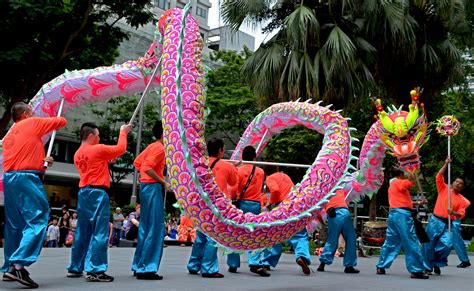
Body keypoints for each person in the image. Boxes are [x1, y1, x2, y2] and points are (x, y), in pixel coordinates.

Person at [1, 102, 67, 288]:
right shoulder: (31, 122)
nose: (33, 113)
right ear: (24, 113)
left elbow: (23, 156)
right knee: (38, 217)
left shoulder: (9, 136)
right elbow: (61, 121)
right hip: (27, 177)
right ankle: (19, 264)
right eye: (31, 111)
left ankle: (8, 267)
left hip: (11, 178)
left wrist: (43, 161)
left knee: (15, 225)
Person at [66, 122, 132, 282]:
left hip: (84, 192)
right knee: (100, 231)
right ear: (90, 136)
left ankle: (76, 266)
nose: (99, 138)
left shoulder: (77, 154)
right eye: (97, 135)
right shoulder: (97, 148)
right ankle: (95, 269)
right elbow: (121, 148)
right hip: (98, 193)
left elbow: (96, 163)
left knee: (82, 231)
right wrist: (123, 132)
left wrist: (106, 161)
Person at [187, 138, 238, 278]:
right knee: (213, 237)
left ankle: (194, 265)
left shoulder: (200, 164)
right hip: (216, 205)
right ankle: (208, 268)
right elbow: (233, 182)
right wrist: (234, 167)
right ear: (220, 150)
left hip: (200, 204)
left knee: (201, 236)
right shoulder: (226, 166)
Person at [131, 120, 169, 280]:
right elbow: (146, 167)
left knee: (145, 227)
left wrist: (144, 177)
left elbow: (138, 163)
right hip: (152, 188)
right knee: (155, 227)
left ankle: (138, 264)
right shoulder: (160, 148)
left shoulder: (152, 146)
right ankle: (147, 268)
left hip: (146, 188)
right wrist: (163, 182)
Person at [376, 168, 428, 279]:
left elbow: (405, 201)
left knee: (391, 240)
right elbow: (409, 183)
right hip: (402, 215)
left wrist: (419, 202)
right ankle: (416, 269)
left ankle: (381, 265)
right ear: (400, 175)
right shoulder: (398, 182)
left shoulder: (393, 185)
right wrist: (413, 174)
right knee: (410, 240)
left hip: (394, 213)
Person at [227, 146, 270, 277]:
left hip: (241, 204)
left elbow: (234, 189)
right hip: (256, 204)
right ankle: (255, 262)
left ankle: (233, 263)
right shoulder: (261, 172)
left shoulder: (239, 171)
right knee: (253, 233)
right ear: (254, 157)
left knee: (236, 232)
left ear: (242, 157)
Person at [261, 166, 311, 275]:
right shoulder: (286, 176)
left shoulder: (270, 178)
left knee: (274, 235)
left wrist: (270, 204)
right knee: (300, 234)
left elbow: (275, 190)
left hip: (282, 208)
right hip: (295, 206)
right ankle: (301, 255)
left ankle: (267, 261)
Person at [423, 158, 469, 275]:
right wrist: (446, 164)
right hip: (435, 220)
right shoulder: (444, 188)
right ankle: (427, 267)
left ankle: (436, 263)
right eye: (457, 181)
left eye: (461, 184)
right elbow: (439, 176)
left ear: (462, 188)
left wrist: (453, 213)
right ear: (453, 182)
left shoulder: (462, 200)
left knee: (446, 245)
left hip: (448, 224)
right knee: (429, 245)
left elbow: (461, 214)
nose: (458, 184)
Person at [317, 189, 360, 274]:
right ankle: (349, 265)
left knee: (332, 239)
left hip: (332, 214)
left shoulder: (322, 192)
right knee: (351, 239)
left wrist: (323, 223)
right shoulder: (340, 188)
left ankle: (322, 263)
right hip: (345, 212)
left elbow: (317, 213)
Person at [452, 193, 471, 268]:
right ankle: (465, 260)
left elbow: (467, 203)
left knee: (456, 242)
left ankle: (465, 260)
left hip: (454, 221)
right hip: (451, 220)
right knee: (457, 241)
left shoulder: (460, 199)